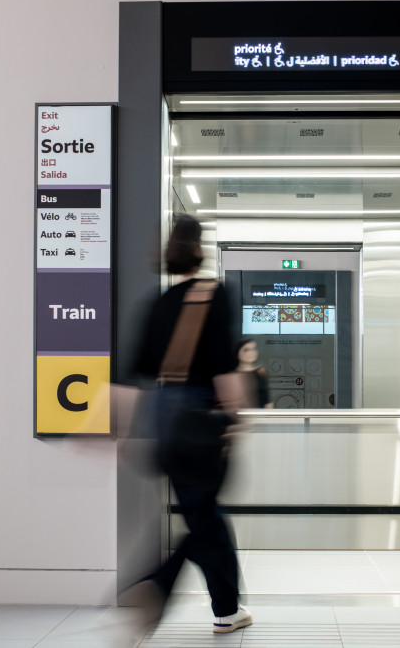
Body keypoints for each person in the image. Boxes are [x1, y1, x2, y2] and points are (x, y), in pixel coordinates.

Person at [131, 215, 252, 635]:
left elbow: (140, 370)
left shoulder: (158, 303)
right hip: (199, 420)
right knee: (204, 517)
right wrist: (236, 418)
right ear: (201, 248)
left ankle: (227, 608)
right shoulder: (213, 295)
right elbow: (223, 366)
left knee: (205, 514)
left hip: (165, 422)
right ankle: (157, 584)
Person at [234, 338, 271, 408]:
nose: (252, 352)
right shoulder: (233, 375)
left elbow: (267, 400)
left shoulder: (261, 371)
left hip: (260, 415)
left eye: (254, 349)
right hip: (243, 415)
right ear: (237, 353)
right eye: (246, 350)